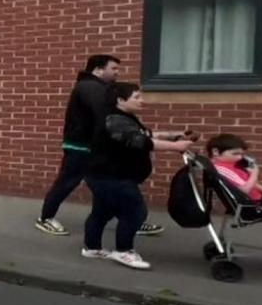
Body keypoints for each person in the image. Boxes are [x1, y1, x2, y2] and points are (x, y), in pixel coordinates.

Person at [34, 55, 163, 236]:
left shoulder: (101, 88)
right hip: (80, 146)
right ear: (98, 70)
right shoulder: (89, 87)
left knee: (107, 186)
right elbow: (106, 115)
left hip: (96, 146)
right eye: (114, 69)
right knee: (68, 182)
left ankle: (131, 219)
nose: (117, 72)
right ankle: (45, 218)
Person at [83, 83, 194, 270]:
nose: (142, 100)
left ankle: (92, 248)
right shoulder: (113, 119)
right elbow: (140, 140)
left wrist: (173, 135)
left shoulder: (122, 117)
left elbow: (144, 133)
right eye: (137, 97)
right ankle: (124, 251)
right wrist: (176, 147)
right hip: (111, 176)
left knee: (102, 212)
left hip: (105, 175)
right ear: (120, 100)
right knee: (135, 212)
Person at [207, 134, 262, 202]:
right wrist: (254, 174)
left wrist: (252, 175)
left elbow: (254, 185)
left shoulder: (233, 165)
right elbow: (243, 192)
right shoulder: (222, 170)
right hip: (254, 204)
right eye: (235, 154)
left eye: (242, 154)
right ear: (215, 151)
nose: (240, 157)